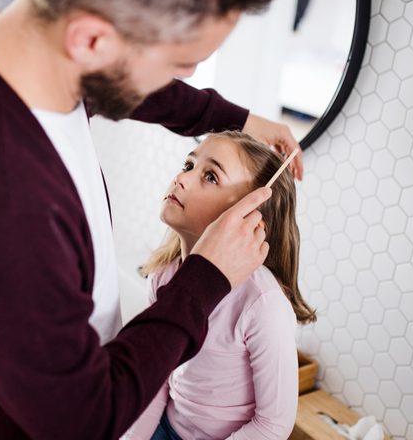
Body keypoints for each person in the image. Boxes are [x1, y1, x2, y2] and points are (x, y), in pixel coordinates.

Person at [0, 0, 305, 438]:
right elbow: (81, 422)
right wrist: (204, 281)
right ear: (91, 40)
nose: (186, 77)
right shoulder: (1, 200)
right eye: (180, 61)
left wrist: (236, 118)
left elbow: (143, 91)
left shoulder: (14, 58)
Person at [122, 131, 316, 440]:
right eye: (189, 165)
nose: (181, 179)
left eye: (211, 176)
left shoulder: (262, 304)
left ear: (248, 215)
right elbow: (156, 379)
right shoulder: (163, 277)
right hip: (167, 428)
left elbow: (273, 425)